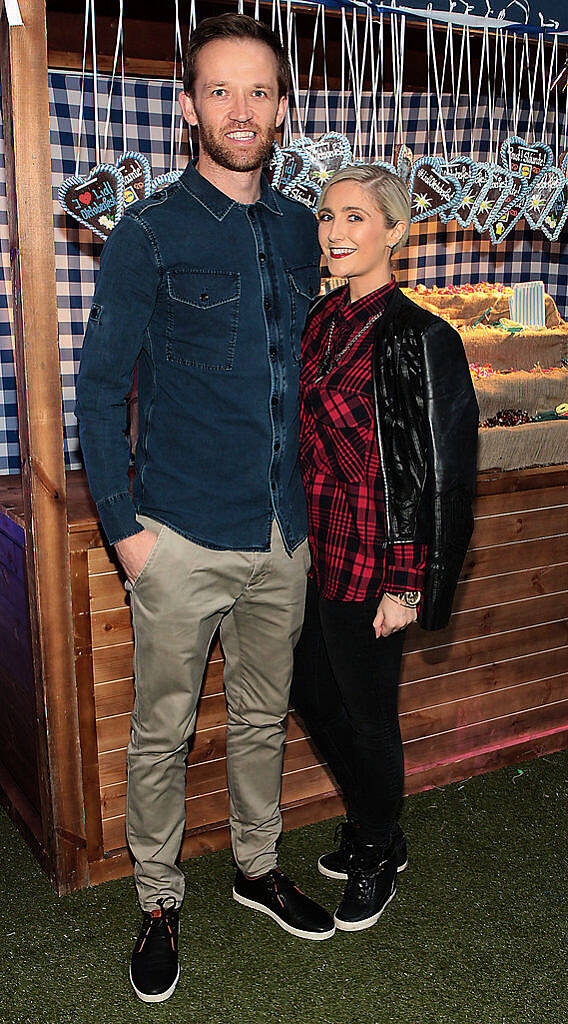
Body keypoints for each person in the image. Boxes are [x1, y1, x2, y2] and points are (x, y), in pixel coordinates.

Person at [76, 13, 335, 1005]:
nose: (241, 109)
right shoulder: (148, 231)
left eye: (259, 92)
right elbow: (100, 394)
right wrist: (128, 536)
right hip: (178, 535)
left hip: (282, 531)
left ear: (280, 109)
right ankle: (156, 898)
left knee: (264, 715)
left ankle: (257, 868)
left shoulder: (303, 228)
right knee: (163, 729)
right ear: (188, 106)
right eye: (221, 90)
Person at [291, 165, 478, 933]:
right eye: (329, 216)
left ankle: (374, 849)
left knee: (369, 717)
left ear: (396, 231)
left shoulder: (423, 336)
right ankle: (381, 822)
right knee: (310, 694)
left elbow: (443, 474)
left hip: (374, 557)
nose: (335, 233)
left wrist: (407, 585)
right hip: (311, 547)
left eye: (356, 218)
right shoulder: (321, 319)